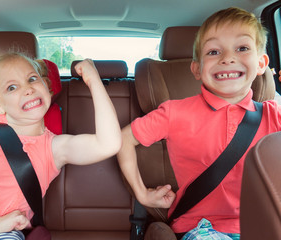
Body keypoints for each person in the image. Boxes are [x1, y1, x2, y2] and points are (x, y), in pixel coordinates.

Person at [117, 7, 280, 240]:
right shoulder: (175, 112)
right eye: (214, 51)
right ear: (196, 69)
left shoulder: (274, 114)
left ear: (262, 63)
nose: (228, 58)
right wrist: (142, 194)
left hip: (265, 224)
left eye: (242, 48)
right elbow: (123, 139)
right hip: (203, 228)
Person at [0, 53, 122, 240]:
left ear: (46, 86)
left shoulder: (54, 148)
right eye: (12, 87)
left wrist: (93, 79)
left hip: (6, 235)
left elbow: (108, 144)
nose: (28, 89)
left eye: (32, 79)